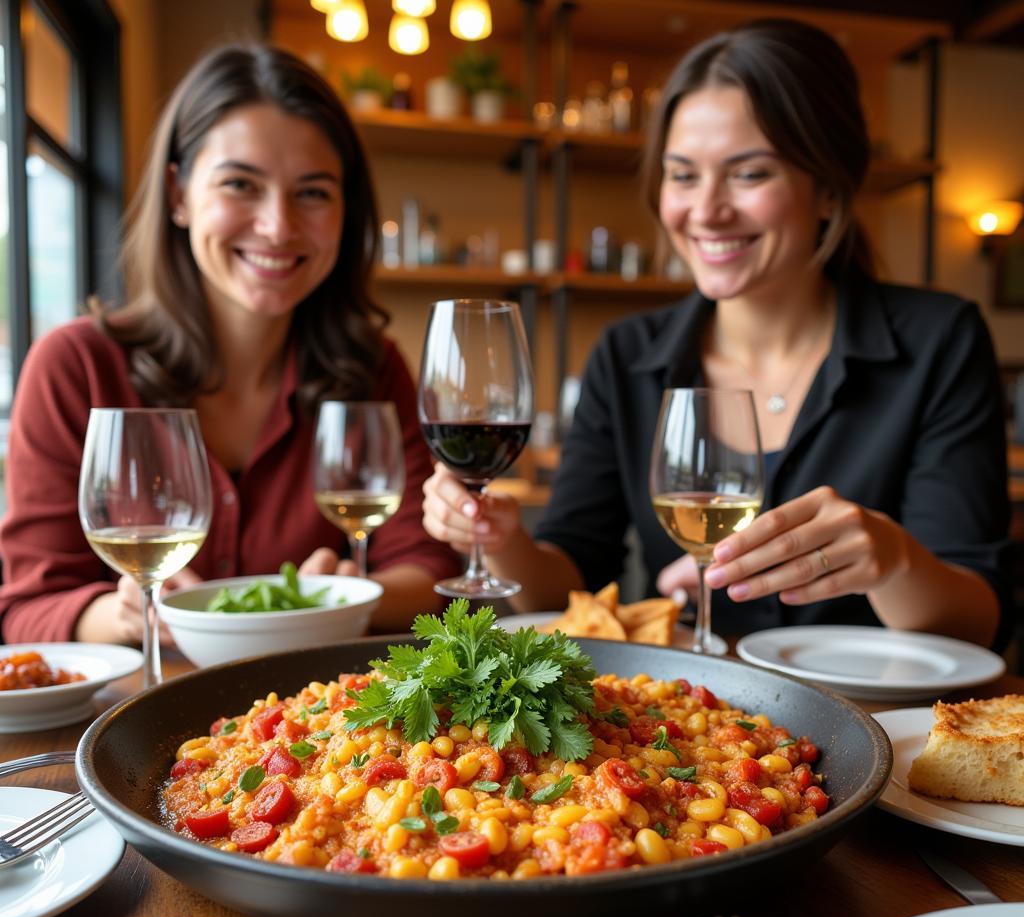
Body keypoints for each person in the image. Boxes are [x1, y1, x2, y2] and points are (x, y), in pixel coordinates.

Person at [422, 18, 1011, 649]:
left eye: (750, 173)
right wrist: (500, 540)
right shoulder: (627, 357)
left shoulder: (939, 341)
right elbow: (568, 590)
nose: (705, 211)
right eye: (682, 175)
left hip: (887, 723)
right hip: (693, 725)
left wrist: (894, 560)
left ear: (828, 191)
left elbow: (979, 620)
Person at [0, 43, 460, 645]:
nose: (278, 225)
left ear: (347, 211)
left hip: (317, 725)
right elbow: (26, 607)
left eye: (313, 192)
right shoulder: (75, 365)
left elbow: (432, 573)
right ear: (179, 195)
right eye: (241, 184)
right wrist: (124, 614)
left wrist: (344, 595)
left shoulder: (373, 369)